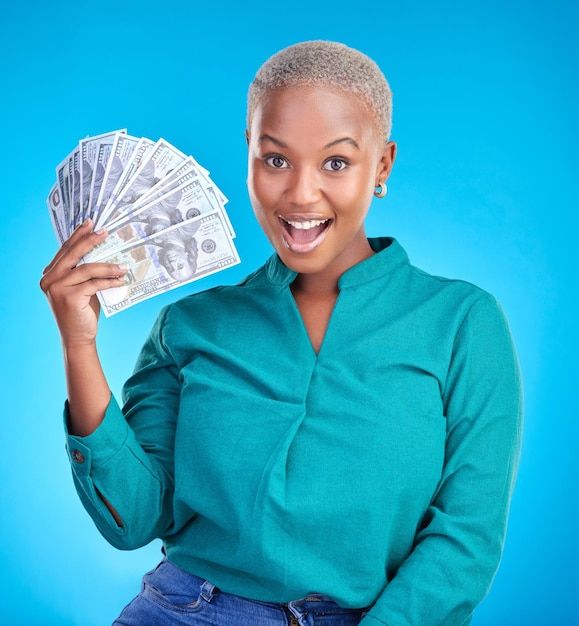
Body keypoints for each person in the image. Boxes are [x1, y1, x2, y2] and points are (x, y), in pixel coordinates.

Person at [39, 40, 524, 626]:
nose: (300, 193)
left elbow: (466, 540)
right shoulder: (190, 325)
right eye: (275, 160)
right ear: (249, 155)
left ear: (383, 166)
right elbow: (135, 519)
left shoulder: (462, 321)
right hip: (182, 610)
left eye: (336, 163)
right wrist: (78, 343)